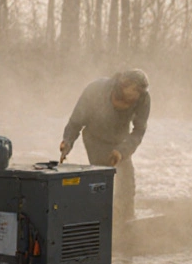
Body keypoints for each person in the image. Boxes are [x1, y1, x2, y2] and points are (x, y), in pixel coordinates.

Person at [59, 69, 150, 222]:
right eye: (131, 92)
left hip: (120, 141)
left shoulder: (143, 98)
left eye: (137, 94)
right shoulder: (96, 90)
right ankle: (100, 221)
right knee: (101, 181)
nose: (133, 97)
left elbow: (139, 130)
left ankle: (126, 222)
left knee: (126, 183)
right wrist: (67, 142)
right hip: (95, 138)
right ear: (122, 86)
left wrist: (122, 151)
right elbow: (76, 122)